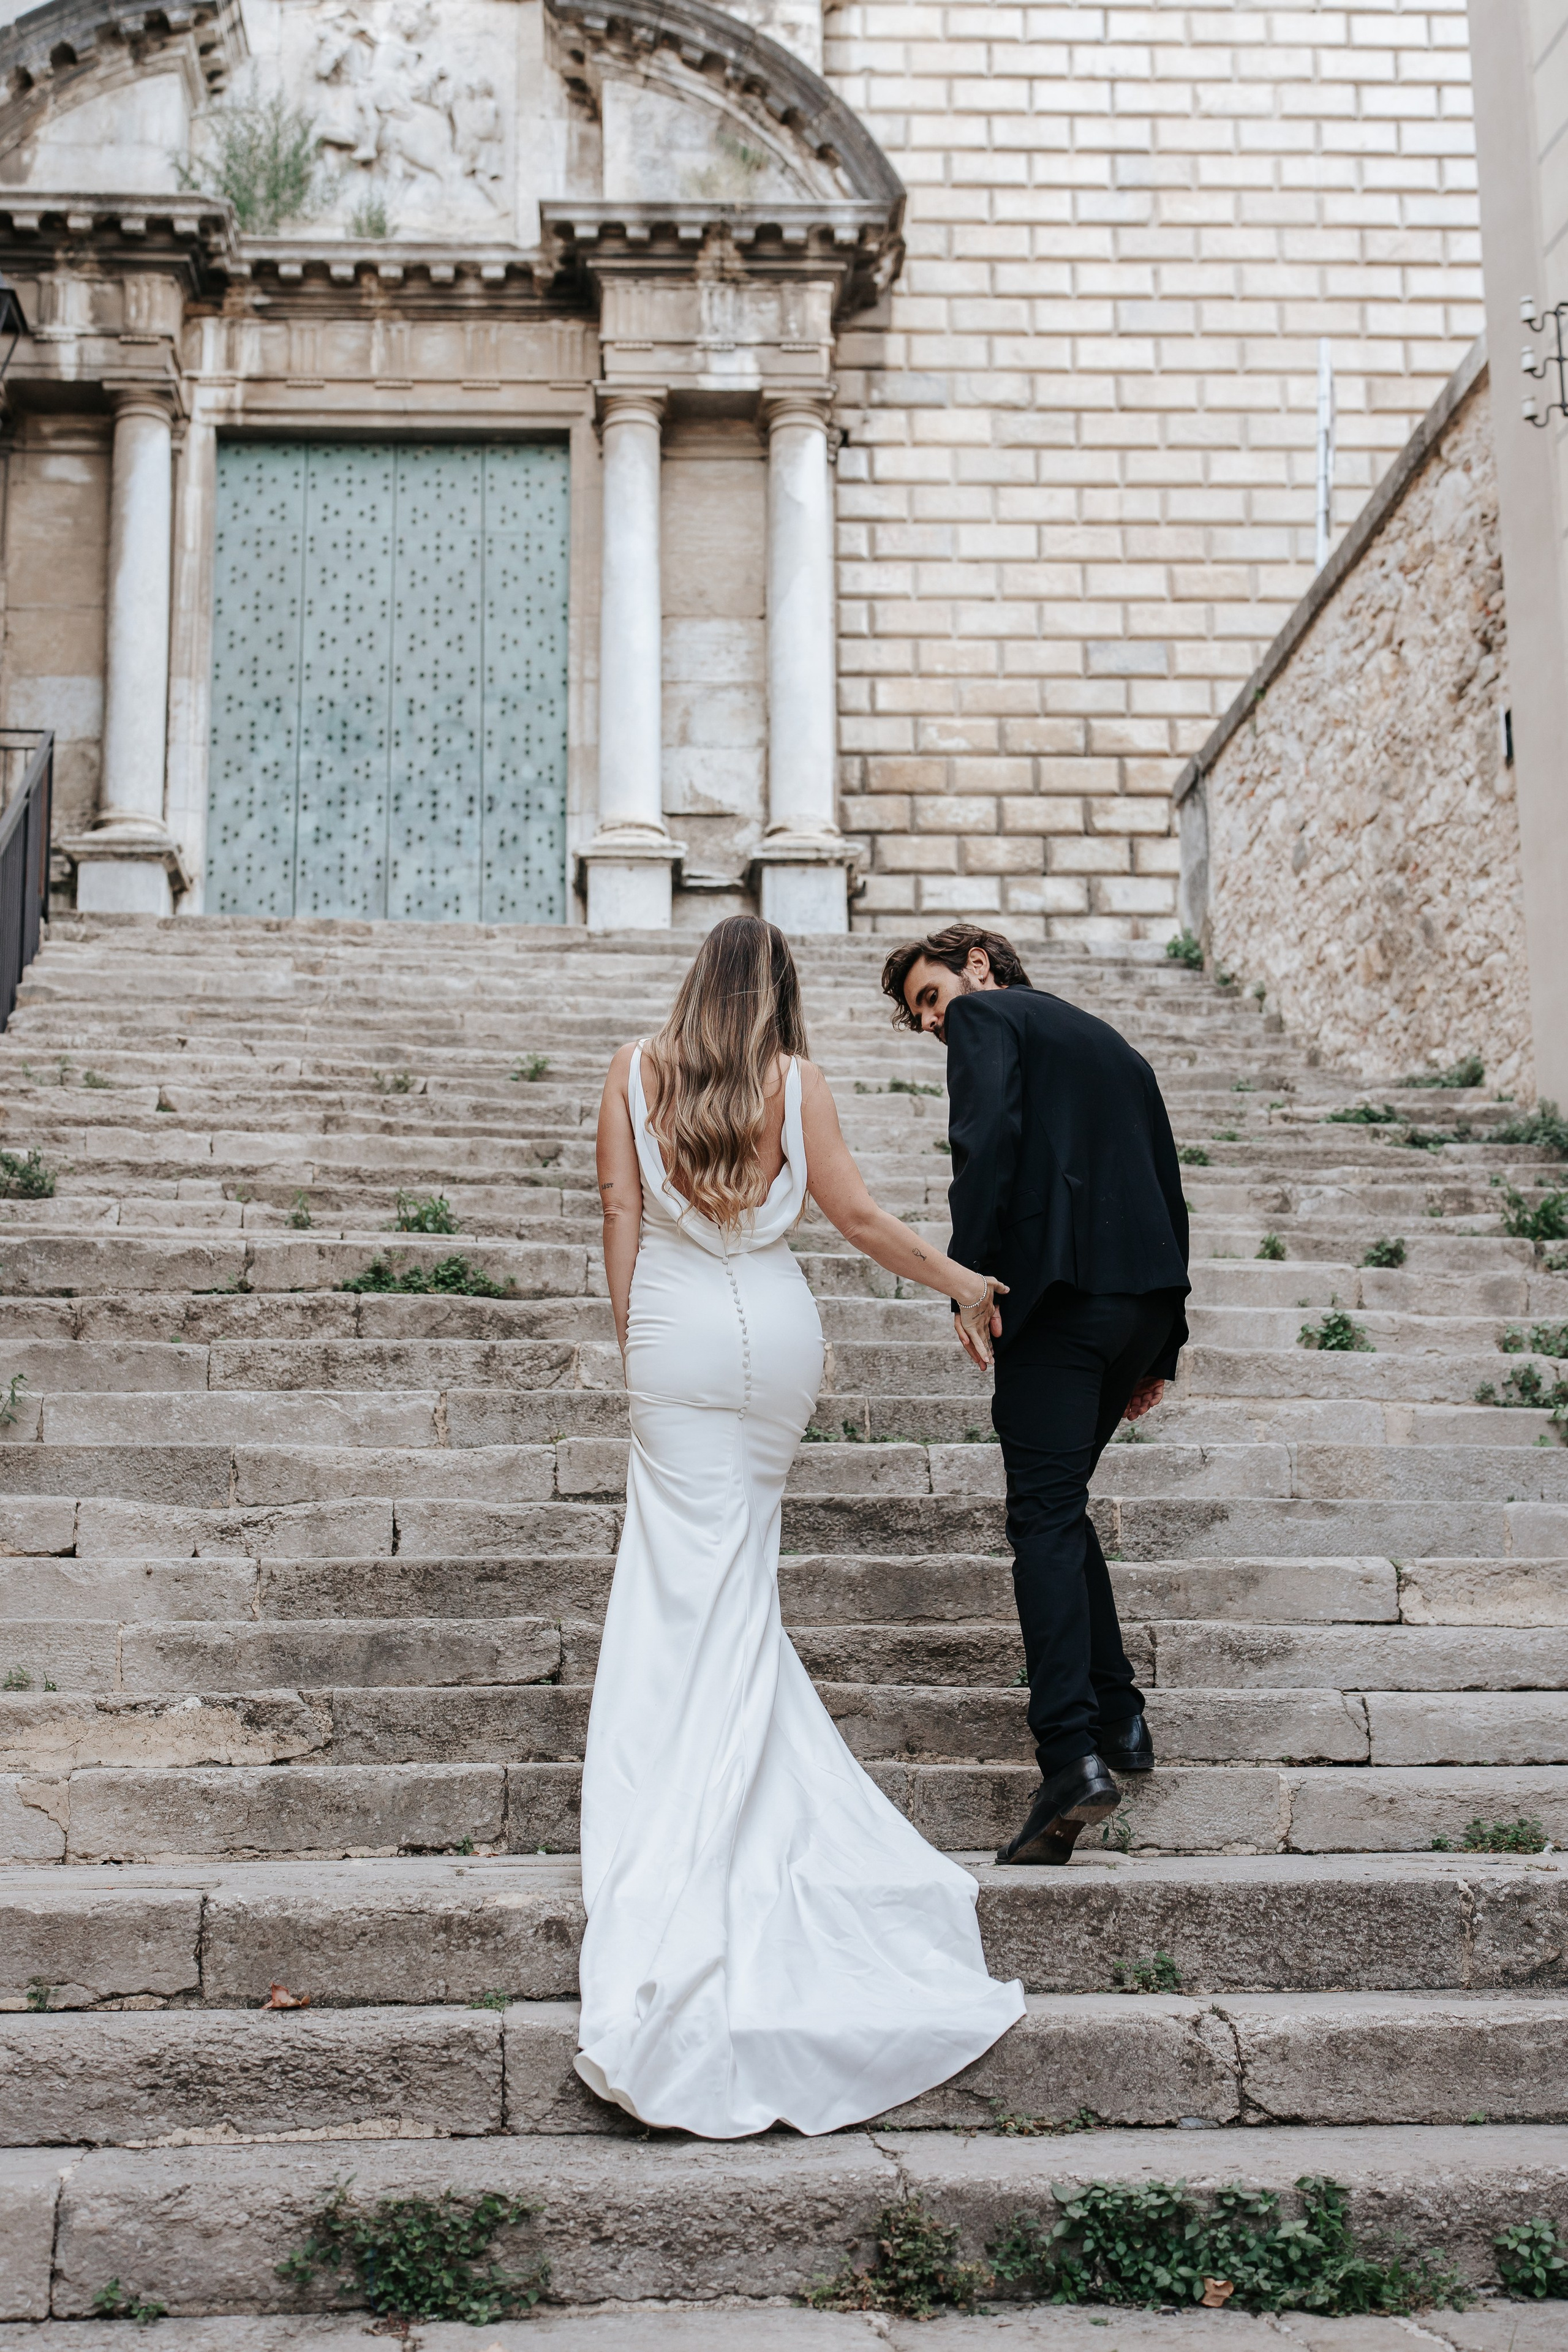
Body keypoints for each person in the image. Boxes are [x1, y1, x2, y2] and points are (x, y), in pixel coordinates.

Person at [575, 915, 1025, 2139]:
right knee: (741, 1577)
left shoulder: (630, 1069)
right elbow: (860, 1223)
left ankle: (678, 1783)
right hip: (771, 1336)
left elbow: (620, 1213)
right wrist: (964, 1282)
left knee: (682, 1573)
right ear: (774, 991)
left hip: (671, 1325)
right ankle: (741, 1781)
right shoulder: (796, 1082)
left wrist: (635, 1343)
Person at [881, 924, 1191, 1870]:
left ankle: (1070, 1756)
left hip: (1054, 1308)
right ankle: (1120, 1714)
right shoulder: (1114, 1045)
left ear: (978, 967)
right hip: (1136, 1305)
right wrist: (1164, 1343)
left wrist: (965, 1280)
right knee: (1061, 1508)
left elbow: (984, 1145)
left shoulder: (988, 1019)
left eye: (932, 998)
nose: (935, 1023)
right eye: (920, 1017)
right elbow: (1169, 1189)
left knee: (1042, 1518)